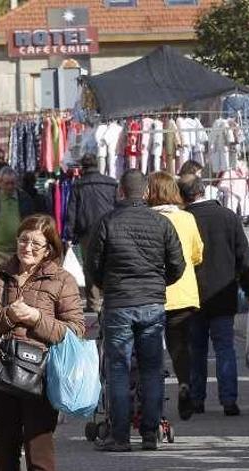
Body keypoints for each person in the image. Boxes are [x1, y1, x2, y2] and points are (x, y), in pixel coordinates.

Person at [0, 214, 85, 471]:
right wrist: (7, 316)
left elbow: (75, 331)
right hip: (2, 374)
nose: (27, 247)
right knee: (4, 451)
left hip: (40, 376)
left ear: (49, 248)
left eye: (36, 243)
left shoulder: (61, 280)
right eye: (23, 240)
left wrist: (34, 318)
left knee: (38, 453)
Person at [85, 169, 185, 452]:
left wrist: (107, 285)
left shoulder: (107, 222)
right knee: (152, 369)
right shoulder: (162, 223)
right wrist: (157, 284)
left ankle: (119, 436)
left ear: (120, 191)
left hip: (118, 303)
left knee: (117, 368)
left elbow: (92, 265)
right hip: (152, 304)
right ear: (146, 193)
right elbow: (178, 265)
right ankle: (150, 433)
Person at [179, 174, 249, 417]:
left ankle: (196, 399)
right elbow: (243, 257)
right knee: (225, 348)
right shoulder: (228, 217)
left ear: (183, 196)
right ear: (203, 190)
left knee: (196, 349)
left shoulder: (184, 220)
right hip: (223, 294)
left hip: (192, 295)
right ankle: (229, 400)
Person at [146, 171, 204, 421]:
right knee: (179, 343)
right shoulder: (187, 218)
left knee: (150, 347)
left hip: (152, 292)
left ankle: (154, 398)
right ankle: (183, 382)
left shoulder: (146, 219)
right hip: (183, 292)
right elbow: (197, 254)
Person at [65, 153, 118, 313]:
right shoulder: (111, 183)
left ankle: (94, 303)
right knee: (109, 264)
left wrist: (70, 233)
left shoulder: (78, 185)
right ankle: (111, 299)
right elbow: (118, 205)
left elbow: (72, 210)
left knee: (90, 267)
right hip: (110, 228)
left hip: (87, 231)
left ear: (82, 168)